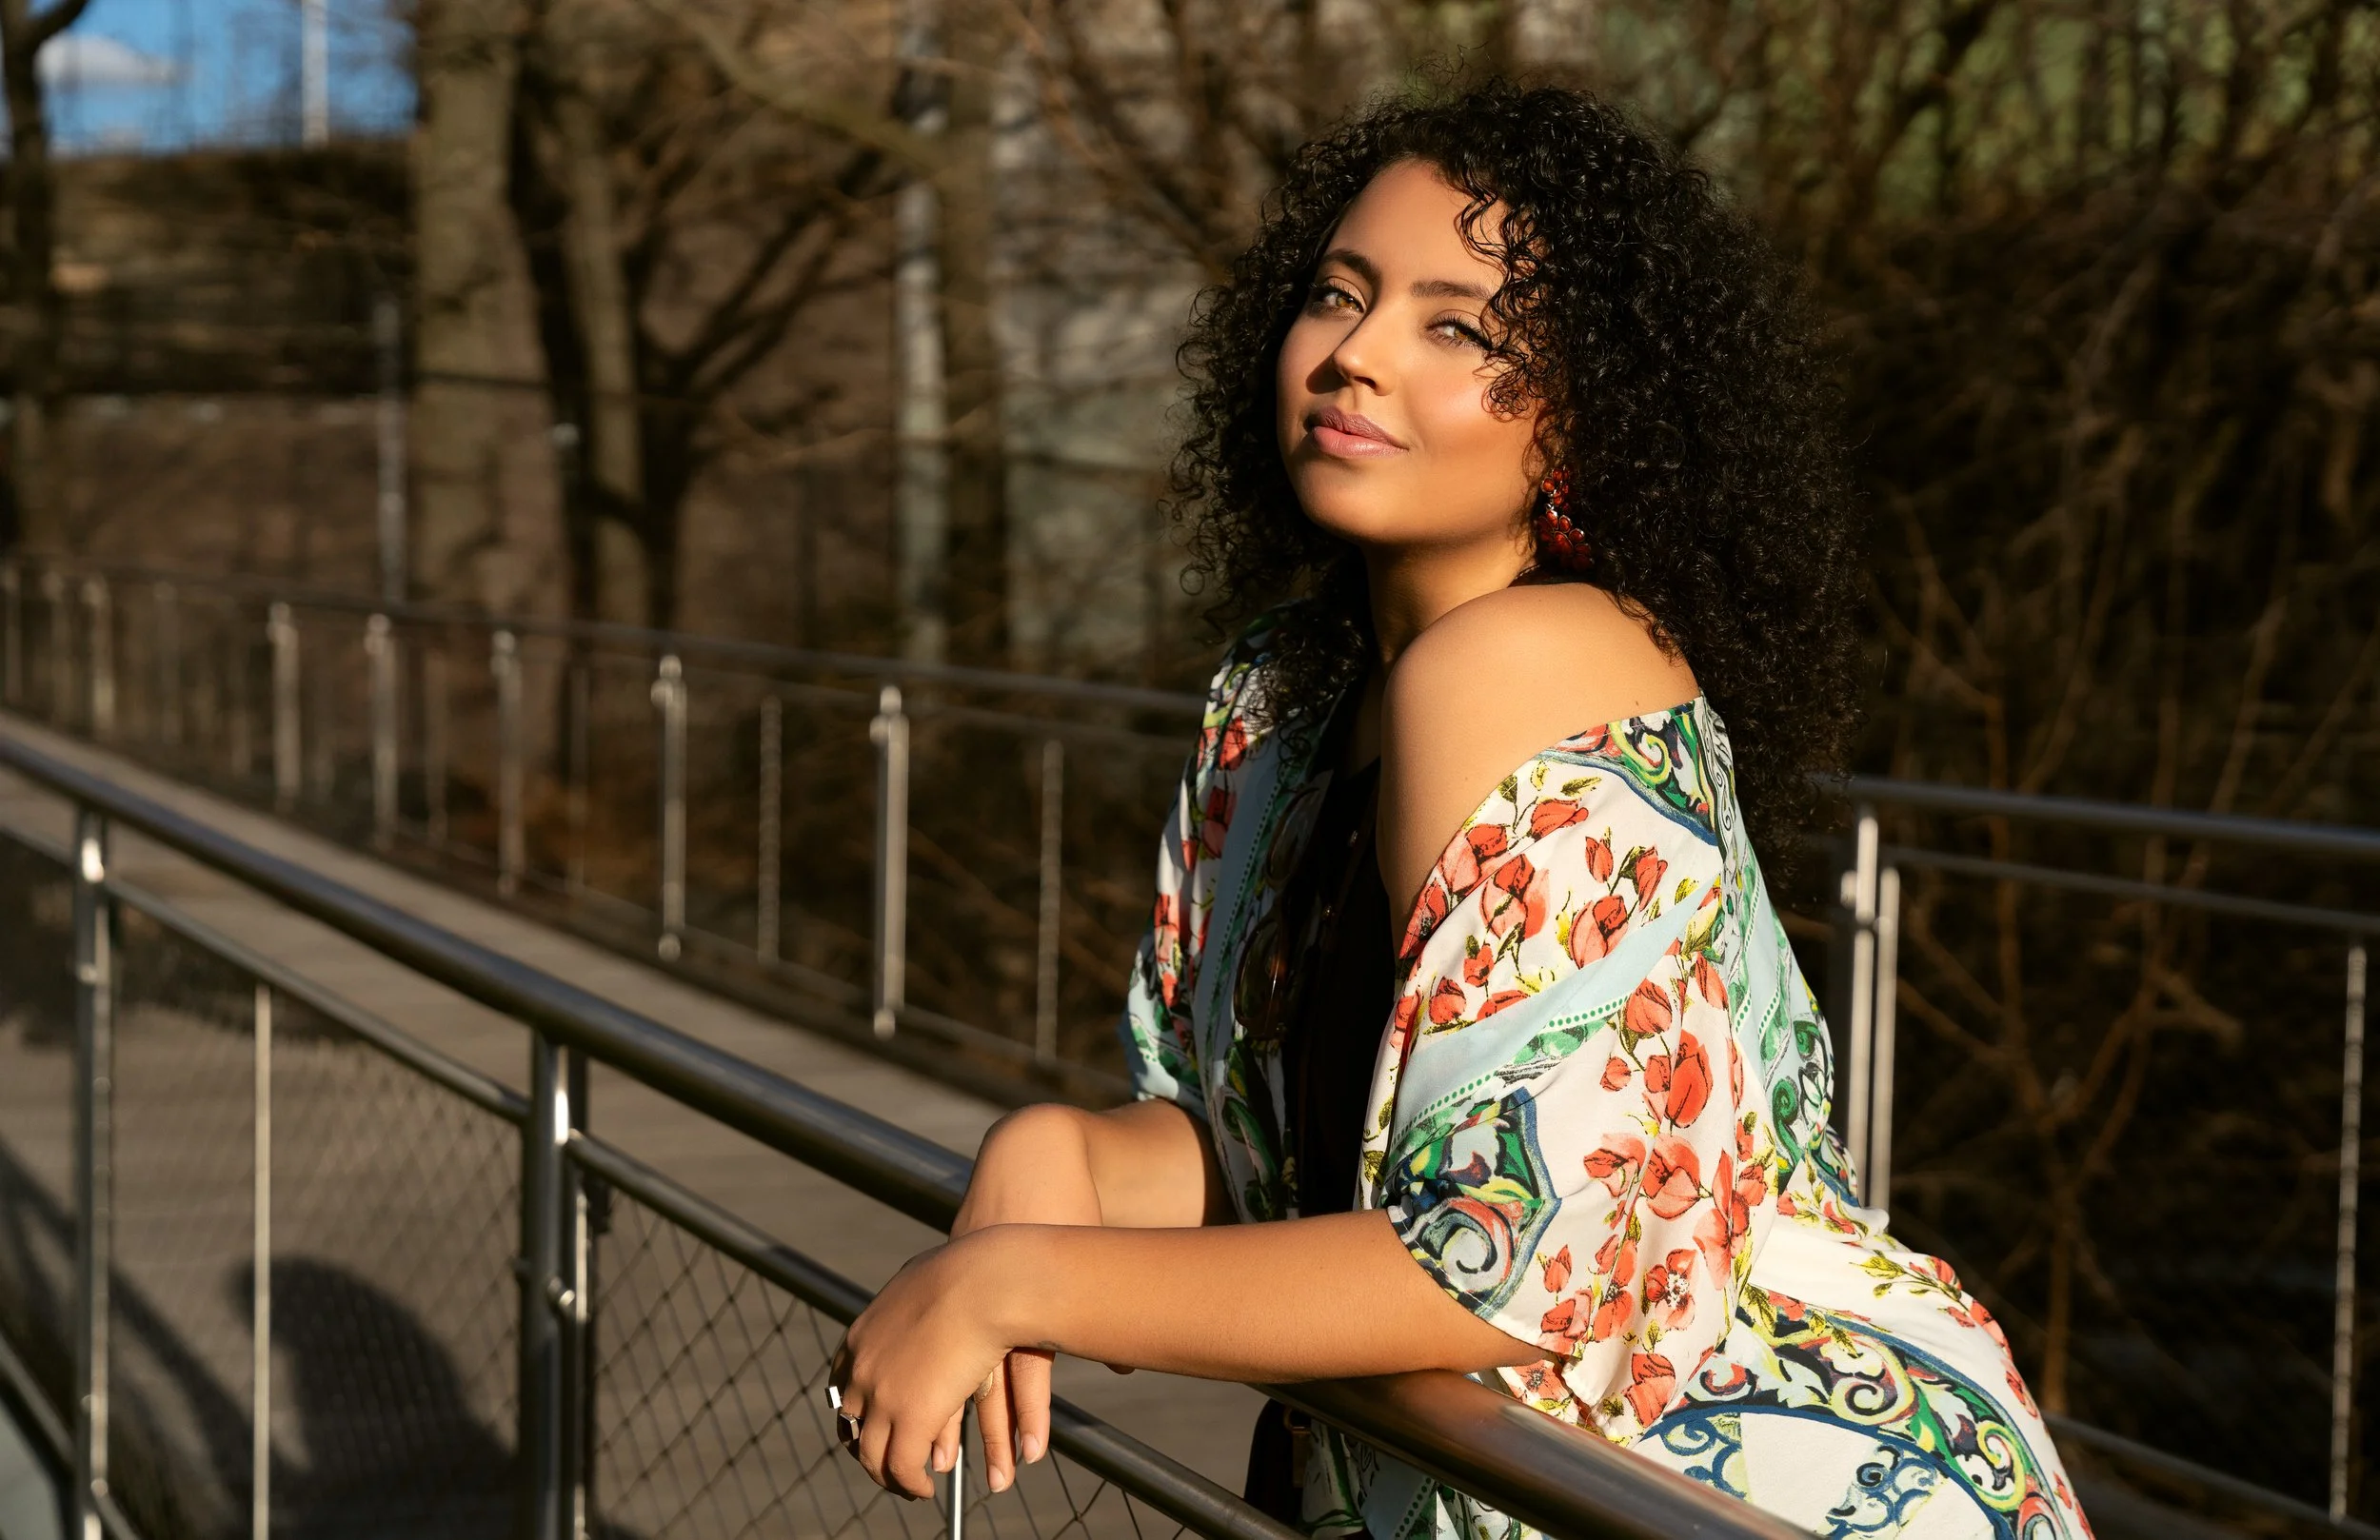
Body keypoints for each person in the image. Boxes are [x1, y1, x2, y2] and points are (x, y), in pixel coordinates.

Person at [829, 80, 2093, 1540]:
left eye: (1457, 327)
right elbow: (1286, 1164)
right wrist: (1061, 1158)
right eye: (1338, 295)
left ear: (1583, 419)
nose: (1354, 355)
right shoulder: (1284, 708)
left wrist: (1017, 1276)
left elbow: (1516, 1254)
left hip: (1739, 1485)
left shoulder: (1528, 665)